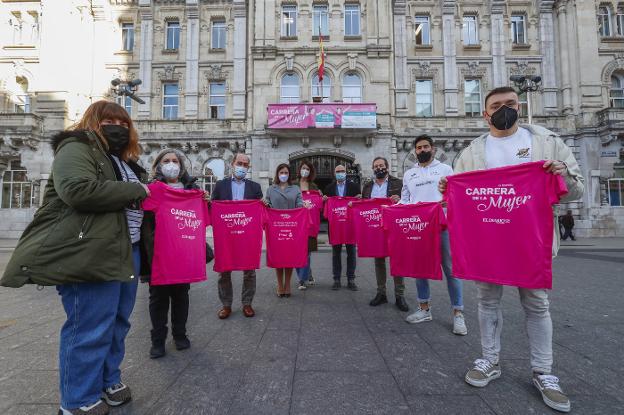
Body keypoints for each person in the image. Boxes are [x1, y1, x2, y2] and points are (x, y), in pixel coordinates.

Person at [439, 86, 584, 413]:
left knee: (536, 302)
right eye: (497, 105)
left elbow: (575, 190)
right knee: (487, 299)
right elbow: (457, 199)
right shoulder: (472, 151)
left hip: (529, 240)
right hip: (487, 239)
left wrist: (562, 176)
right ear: (485, 113)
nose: (505, 109)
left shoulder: (546, 142)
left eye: (511, 104)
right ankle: (490, 360)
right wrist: (447, 190)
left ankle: (543, 371)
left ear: (520, 106)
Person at [1, 101, 150, 415]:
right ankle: (77, 401)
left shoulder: (124, 161)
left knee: (118, 323)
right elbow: (77, 191)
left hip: (127, 250)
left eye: (123, 123)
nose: (118, 127)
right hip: (91, 251)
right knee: (89, 326)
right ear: (93, 122)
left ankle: (108, 380)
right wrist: (138, 191)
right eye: (109, 120)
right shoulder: (76, 147)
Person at [142, 148, 207, 359]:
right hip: (159, 252)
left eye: (175, 161)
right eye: (167, 160)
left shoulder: (192, 190)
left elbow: (205, 218)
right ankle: (157, 340)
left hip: (183, 252)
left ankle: (180, 335)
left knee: (181, 296)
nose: (172, 164)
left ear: (181, 166)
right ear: (159, 166)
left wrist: (206, 200)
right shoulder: (155, 190)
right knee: (158, 298)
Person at [401, 135, 467, 335]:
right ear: (415, 151)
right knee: (420, 269)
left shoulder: (445, 170)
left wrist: (449, 203)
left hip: (443, 226)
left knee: (451, 270)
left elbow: (455, 195)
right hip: (418, 228)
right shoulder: (409, 174)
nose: (422, 150)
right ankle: (424, 309)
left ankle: (458, 313)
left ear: (433, 148)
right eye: (418, 148)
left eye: (425, 146)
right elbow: (406, 200)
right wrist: (392, 209)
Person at [211, 153, 263, 319]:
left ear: (248, 168)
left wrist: (263, 204)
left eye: (245, 164)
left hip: (247, 234)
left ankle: (247, 303)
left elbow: (259, 211)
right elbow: (213, 209)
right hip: (227, 234)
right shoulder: (220, 186)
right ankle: (226, 305)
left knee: (249, 270)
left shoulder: (255, 187)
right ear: (232, 164)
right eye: (239, 163)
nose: (242, 166)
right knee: (224, 270)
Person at [362, 157, 407, 311]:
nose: (379, 168)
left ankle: (400, 295)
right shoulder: (367, 186)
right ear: (373, 169)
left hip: (394, 226)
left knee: (397, 260)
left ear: (387, 167)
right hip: (375, 227)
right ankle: (381, 293)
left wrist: (399, 199)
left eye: (381, 165)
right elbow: (364, 206)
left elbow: (407, 202)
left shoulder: (398, 183)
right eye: (376, 166)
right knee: (379, 261)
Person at [265, 163, 305, 296]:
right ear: (277, 174)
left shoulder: (295, 189)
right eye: (281, 172)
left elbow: (300, 204)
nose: (283, 175)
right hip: (275, 227)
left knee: (289, 256)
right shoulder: (271, 189)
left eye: (286, 173)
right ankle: (279, 285)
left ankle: (287, 284)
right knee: (277, 256)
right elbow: (268, 205)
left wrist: (303, 206)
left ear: (289, 175)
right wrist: (266, 204)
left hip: (291, 227)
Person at [324, 164, 361, 291]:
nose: (340, 173)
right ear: (335, 173)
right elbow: (325, 207)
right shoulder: (329, 188)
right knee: (336, 254)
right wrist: (325, 200)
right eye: (338, 171)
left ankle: (351, 279)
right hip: (335, 227)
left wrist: (359, 199)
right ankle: (337, 279)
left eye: (342, 171)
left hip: (350, 226)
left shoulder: (355, 187)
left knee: (351, 253)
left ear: (346, 172)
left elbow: (360, 206)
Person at [295, 160, 320, 289]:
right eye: (303, 168)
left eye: (308, 169)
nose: (305, 171)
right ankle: (307, 274)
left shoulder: (314, 186)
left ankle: (302, 280)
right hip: (296, 224)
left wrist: (321, 197)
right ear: (299, 169)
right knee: (297, 251)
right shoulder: (293, 185)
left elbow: (319, 204)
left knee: (307, 252)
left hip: (310, 224)